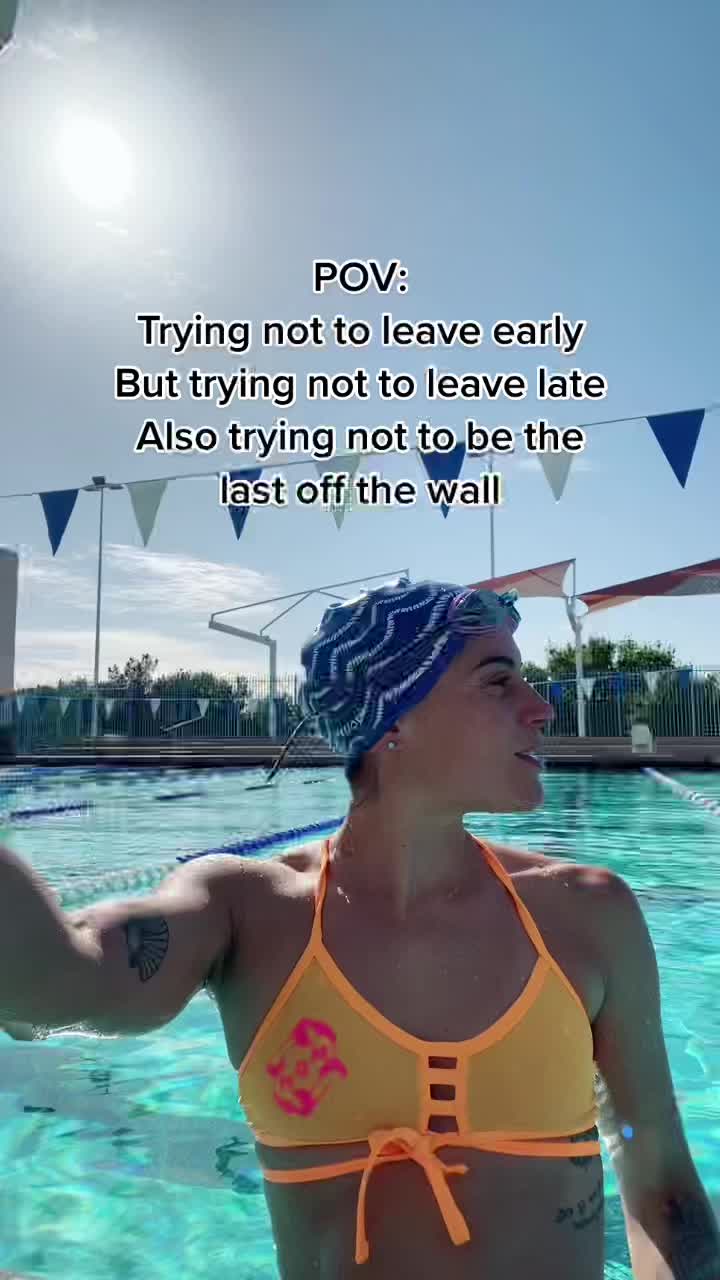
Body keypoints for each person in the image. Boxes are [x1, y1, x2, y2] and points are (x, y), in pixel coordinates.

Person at [0, 577, 717, 1280]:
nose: (540, 708)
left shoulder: (587, 913)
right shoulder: (248, 911)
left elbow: (665, 1192)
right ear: (393, 719)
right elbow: (58, 984)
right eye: (499, 683)